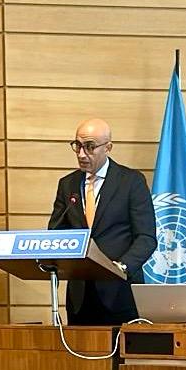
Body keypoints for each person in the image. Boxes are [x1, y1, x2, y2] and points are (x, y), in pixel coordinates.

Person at [49, 117, 157, 325]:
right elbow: (57, 232)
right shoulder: (67, 184)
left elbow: (146, 238)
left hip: (120, 292)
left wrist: (121, 267)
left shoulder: (131, 181)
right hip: (80, 294)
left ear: (108, 147)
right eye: (78, 146)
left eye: (90, 147)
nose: (82, 154)